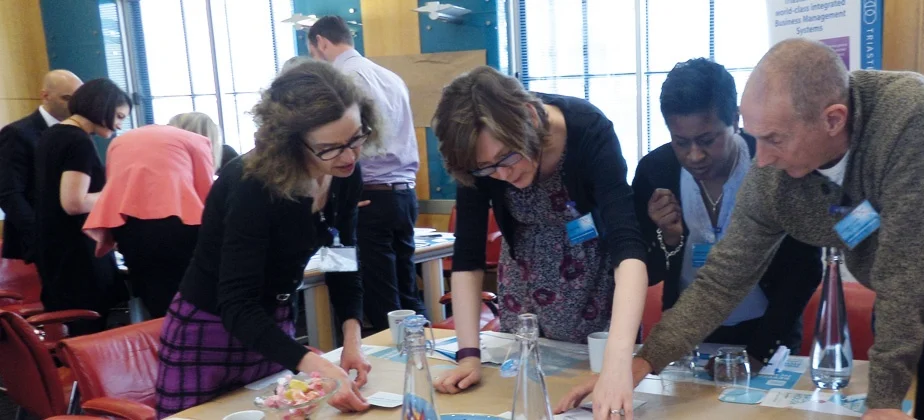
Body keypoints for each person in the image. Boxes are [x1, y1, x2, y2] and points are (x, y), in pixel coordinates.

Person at [559, 38, 924, 420]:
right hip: (911, 297)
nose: (760, 160)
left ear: (833, 119)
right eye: (756, 136)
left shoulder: (912, 117)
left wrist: (883, 402)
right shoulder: (775, 173)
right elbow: (724, 276)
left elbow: (910, 270)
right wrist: (640, 363)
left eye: (774, 140)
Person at [154, 61, 374, 416]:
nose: (349, 156)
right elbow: (236, 303)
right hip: (208, 329)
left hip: (271, 327)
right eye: (330, 147)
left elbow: (341, 261)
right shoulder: (252, 182)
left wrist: (352, 340)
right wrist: (317, 366)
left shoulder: (345, 174)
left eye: (356, 138)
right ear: (290, 142)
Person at [432, 66, 648, 418]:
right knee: (526, 397)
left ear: (530, 117)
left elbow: (629, 246)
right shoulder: (479, 152)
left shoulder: (588, 129)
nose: (501, 174)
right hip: (525, 282)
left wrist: (617, 362)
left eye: (507, 158)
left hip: (597, 283)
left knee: (600, 397)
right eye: (486, 169)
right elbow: (468, 255)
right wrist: (468, 354)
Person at [631, 58, 822, 362]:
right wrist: (668, 239)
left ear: (735, 119)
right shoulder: (656, 172)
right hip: (687, 333)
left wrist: (761, 352)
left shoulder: (772, 164)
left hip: (770, 329)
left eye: (707, 140)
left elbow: (806, 267)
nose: (694, 155)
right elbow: (648, 272)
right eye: (681, 142)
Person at [308, 16, 425, 326]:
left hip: (367, 198)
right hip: (403, 195)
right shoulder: (391, 77)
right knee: (407, 293)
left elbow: (341, 147)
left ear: (321, 42)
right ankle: (424, 362)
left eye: (312, 51)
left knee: (382, 302)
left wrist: (341, 196)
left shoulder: (341, 81)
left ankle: (393, 366)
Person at [82, 113, 221, 319]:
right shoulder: (196, 142)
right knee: (188, 302)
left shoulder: (121, 142)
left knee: (155, 301)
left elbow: (115, 189)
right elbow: (208, 198)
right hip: (181, 229)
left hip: (130, 229)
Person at [33, 78, 131, 335]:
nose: (120, 125)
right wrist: (117, 192)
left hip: (55, 246)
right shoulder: (78, 141)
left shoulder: (53, 134)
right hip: (76, 251)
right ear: (103, 107)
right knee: (91, 327)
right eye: (119, 116)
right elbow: (74, 203)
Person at [0, 70, 82, 263]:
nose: (74, 105)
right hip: (37, 242)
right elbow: (9, 193)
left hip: (71, 237)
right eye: (66, 98)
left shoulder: (77, 132)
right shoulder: (17, 133)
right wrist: (40, 234)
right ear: (45, 96)